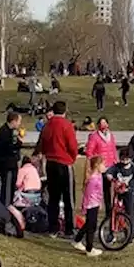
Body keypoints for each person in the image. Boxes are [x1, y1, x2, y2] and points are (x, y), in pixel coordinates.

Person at [37, 101, 79, 238]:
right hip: (64, 162)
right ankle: (69, 228)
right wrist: (72, 158)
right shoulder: (66, 125)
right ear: (65, 111)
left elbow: (42, 143)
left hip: (50, 163)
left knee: (53, 197)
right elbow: (72, 145)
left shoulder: (47, 125)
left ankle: (53, 228)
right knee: (68, 198)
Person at [72, 155, 106, 257]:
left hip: (95, 204)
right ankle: (89, 249)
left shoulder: (99, 176)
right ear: (97, 165)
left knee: (89, 224)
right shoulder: (93, 179)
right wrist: (84, 208)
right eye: (103, 164)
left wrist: (99, 202)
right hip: (91, 205)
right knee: (91, 227)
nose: (105, 166)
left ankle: (77, 240)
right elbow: (87, 194)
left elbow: (99, 192)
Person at [0, 112, 24, 207]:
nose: (19, 124)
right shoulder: (4, 132)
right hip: (6, 165)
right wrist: (20, 143)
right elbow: (9, 147)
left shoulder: (11, 131)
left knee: (11, 186)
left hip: (10, 163)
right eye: (18, 122)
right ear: (13, 121)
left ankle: (8, 204)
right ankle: (6, 206)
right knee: (7, 187)